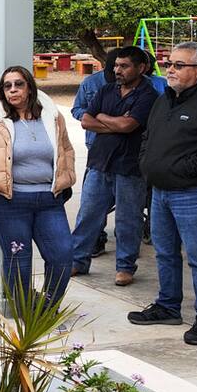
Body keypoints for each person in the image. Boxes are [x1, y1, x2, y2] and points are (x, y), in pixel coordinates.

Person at [132, 41, 197, 346]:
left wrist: (184, 168)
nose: (171, 70)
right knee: (164, 253)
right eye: (169, 64)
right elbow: (148, 137)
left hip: (192, 194)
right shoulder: (163, 100)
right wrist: (147, 162)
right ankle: (167, 306)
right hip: (160, 193)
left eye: (179, 65)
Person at [0, 66, 76, 309]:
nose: (13, 89)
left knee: (62, 256)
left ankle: (45, 308)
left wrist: (68, 175)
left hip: (49, 200)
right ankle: (25, 312)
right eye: (7, 85)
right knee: (19, 259)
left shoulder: (52, 117)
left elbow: (66, 149)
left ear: (30, 87)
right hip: (7, 203)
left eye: (19, 84)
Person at [70, 46, 158, 286]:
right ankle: (78, 260)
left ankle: (125, 267)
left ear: (141, 68)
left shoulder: (148, 96)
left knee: (128, 219)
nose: (117, 70)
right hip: (99, 162)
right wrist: (114, 122)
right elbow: (86, 120)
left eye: (124, 66)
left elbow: (128, 126)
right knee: (88, 214)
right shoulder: (106, 90)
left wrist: (103, 118)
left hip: (129, 166)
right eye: (116, 66)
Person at [71, 49, 119, 257]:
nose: (117, 73)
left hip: (126, 155)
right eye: (113, 69)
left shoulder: (143, 87)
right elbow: (78, 111)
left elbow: (132, 123)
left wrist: (97, 119)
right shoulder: (91, 83)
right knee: (91, 205)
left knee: (126, 209)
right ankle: (93, 242)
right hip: (96, 152)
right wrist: (110, 123)